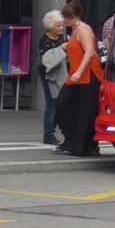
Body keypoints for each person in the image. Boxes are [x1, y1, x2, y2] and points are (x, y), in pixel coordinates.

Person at [54, 0, 104, 156]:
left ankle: (83, 145)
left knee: (85, 112)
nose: (65, 20)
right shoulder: (75, 30)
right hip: (78, 74)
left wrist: (78, 72)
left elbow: (89, 51)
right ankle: (75, 141)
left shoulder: (83, 29)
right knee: (64, 106)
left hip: (88, 75)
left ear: (75, 17)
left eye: (67, 17)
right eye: (64, 17)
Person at [38, 10, 67, 145]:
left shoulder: (62, 38)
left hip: (59, 75)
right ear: (51, 26)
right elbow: (45, 60)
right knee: (52, 105)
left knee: (57, 104)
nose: (61, 28)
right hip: (48, 76)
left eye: (62, 25)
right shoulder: (45, 40)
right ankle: (48, 135)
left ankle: (52, 132)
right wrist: (61, 49)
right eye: (58, 26)